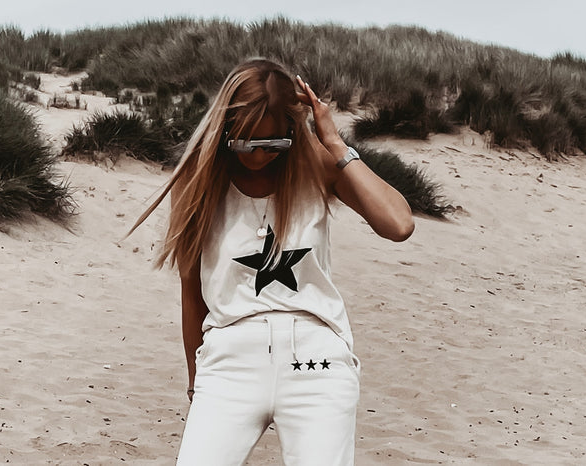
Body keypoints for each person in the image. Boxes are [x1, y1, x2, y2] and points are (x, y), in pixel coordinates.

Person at [128, 58, 414, 465]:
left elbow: (398, 224)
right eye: (246, 143)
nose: (260, 155)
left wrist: (334, 143)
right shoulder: (198, 179)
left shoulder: (315, 167)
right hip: (230, 358)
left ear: (291, 132)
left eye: (273, 144)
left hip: (316, 359)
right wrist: (196, 384)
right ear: (226, 129)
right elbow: (192, 295)